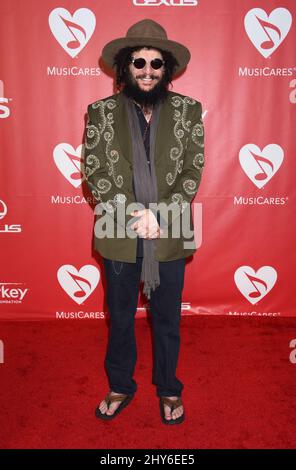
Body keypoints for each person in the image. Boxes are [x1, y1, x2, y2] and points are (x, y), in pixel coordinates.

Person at [84, 19, 204, 425]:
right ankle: (120, 385)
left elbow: (193, 170)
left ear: (166, 69)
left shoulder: (189, 110)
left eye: (157, 63)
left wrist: (161, 214)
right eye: (139, 61)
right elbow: (95, 170)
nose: (148, 70)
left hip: (169, 229)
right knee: (119, 315)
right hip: (119, 228)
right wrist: (136, 213)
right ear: (124, 67)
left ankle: (169, 388)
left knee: (167, 316)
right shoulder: (99, 113)